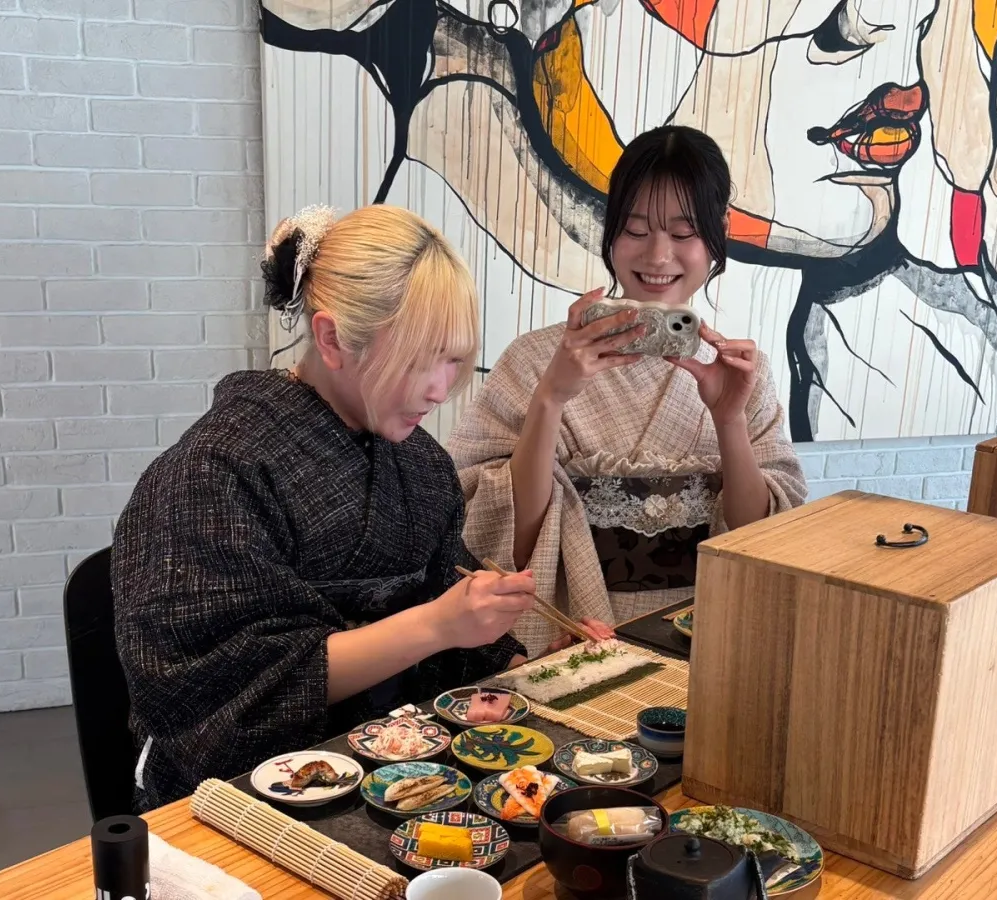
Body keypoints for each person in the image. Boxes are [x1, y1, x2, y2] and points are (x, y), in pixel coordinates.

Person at [113, 204, 557, 811]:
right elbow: (218, 693)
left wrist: (521, 658)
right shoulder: (211, 472)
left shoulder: (421, 465)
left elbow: (448, 599)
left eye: (454, 359)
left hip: (403, 768)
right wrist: (436, 624)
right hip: (253, 792)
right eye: (420, 359)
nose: (439, 388)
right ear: (331, 339)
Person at [449, 126, 808, 655]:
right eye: (636, 229)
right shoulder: (533, 361)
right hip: (575, 632)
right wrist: (551, 397)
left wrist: (729, 418)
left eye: (684, 232)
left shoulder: (738, 371)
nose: (659, 256)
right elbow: (504, 538)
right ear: (610, 231)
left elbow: (758, 541)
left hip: (703, 633)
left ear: (718, 235)